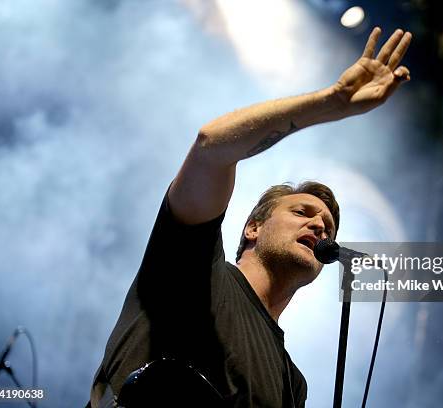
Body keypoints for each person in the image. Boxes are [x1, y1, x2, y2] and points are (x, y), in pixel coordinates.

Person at [88, 27, 412, 407]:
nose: (320, 225)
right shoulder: (198, 272)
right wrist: (331, 103)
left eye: (328, 224)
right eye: (302, 212)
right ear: (253, 227)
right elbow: (211, 146)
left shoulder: (293, 383)